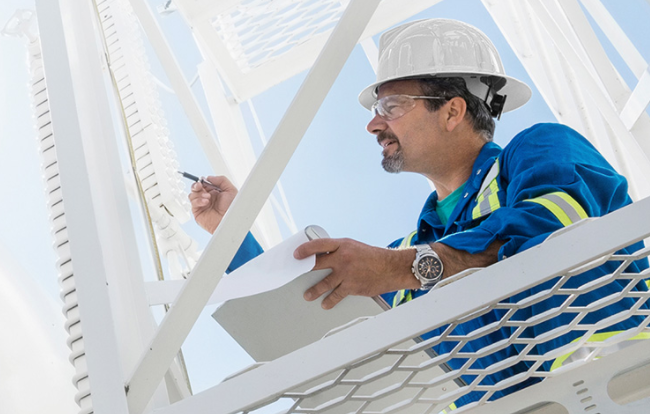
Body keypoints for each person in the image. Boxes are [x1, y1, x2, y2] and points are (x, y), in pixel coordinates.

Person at [189, 18, 649, 406]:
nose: (373, 124)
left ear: (452, 111)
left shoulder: (541, 149)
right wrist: (232, 232)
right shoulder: (409, 253)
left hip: (622, 382)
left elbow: (552, 229)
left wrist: (399, 267)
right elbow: (315, 324)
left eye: (391, 106)